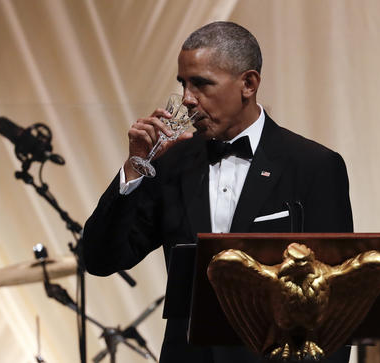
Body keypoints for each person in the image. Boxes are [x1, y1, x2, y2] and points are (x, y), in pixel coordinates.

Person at [83, 21, 353, 363]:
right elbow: (101, 259)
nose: (187, 99)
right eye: (183, 84)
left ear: (248, 84)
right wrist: (134, 167)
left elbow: (335, 298)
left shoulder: (314, 165)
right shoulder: (170, 164)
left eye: (201, 84)